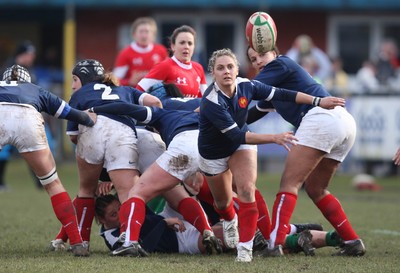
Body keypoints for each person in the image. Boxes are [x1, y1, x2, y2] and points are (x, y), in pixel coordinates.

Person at [197, 48, 344, 262]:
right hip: (213, 154)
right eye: (220, 68)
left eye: (230, 66)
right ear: (213, 73)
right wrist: (274, 138)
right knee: (222, 203)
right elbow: (237, 136)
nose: (226, 71)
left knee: (247, 189)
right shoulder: (210, 102)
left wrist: (318, 101)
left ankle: (245, 249)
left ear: (237, 69)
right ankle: (229, 220)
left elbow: (282, 93)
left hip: (240, 145)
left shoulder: (246, 85)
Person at [247, 46, 366, 257]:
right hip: (343, 121)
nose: (257, 61)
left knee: (289, 184)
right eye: (252, 58)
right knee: (315, 188)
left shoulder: (280, 63)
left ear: (274, 52)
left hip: (322, 117)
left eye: (262, 55)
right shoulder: (275, 82)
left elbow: (249, 88)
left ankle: (274, 246)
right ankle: (352, 240)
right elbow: (251, 114)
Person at [48, 59, 162, 253]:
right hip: (122, 132)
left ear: (84, 78)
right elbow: (155, 102)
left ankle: (81, 243)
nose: (73, 84)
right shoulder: (125, 89)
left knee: (86, 190)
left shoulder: (79, 94)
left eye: (75, 79)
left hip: (92, 129)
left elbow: (73, 137)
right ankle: (129, 240)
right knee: (129, 192)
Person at [0, 64, 96, 256]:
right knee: (53, 185)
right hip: (27, 117)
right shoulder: (35, 89)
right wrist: (89, 119)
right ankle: (77, 243)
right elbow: (67, 112)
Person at [136, 25, 207, 98]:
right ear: (173, 46)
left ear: (194, 47)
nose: (186, 46)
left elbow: (205, 100)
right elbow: (138, 91)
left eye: (190, 43)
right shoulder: (165, 66)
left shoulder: (198, 68)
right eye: (182, 43)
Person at [113, 17, 168, 87]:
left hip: (156, 93)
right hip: (134, 93)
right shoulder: (125, 53)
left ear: (153, 35)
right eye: (141, 31)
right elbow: (114, 80)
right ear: (134, 34)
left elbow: (169, 75)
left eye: (147, 32)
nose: (144, 36)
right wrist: (128, 82)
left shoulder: (161, 50)